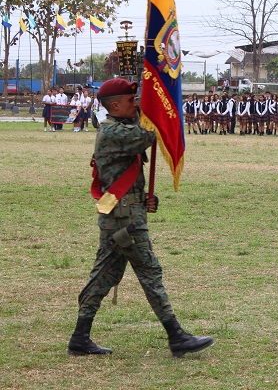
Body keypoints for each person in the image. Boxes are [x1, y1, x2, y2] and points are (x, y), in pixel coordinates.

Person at [68, 78, 213, 357]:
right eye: (131, 100)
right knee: (149, 273)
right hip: (125, 220)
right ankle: (176, 336)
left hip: (121, 213)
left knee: (103, 276)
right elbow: (150, 134)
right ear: (115, 105)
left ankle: (79, 338)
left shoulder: (120, 127)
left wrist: (142, 197)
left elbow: (127, 169)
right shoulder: (113, 132)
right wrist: (158, 108)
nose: (136, 104)